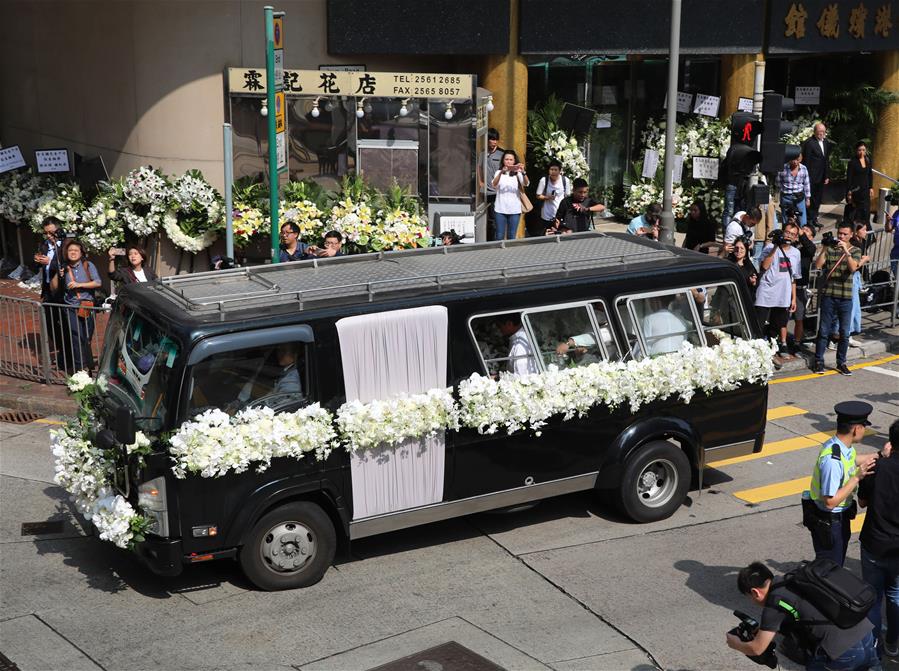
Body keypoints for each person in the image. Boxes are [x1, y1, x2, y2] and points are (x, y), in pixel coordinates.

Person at [726, 561, 880, 670]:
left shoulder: (774, 601)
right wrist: (764, 629)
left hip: (843, 652)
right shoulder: (793, 580)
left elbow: (757, 649)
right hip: (866, 635)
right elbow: (805, 612)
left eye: (749, 597)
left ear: (754, 592)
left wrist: (735, 643)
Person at [801, 401, 878, 567]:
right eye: (864, 426)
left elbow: (853, 460)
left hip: (838, 519)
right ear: (857, 428)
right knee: (830, 571)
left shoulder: (840, 446)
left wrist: (879, 454)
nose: (865, 430)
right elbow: (830, 501)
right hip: (830, 523)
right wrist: (857, 478)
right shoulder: (832, 460)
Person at [858, 419, 899, 659]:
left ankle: (874, 649)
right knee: (895, 595)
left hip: (874, 543)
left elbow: (862, 502)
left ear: (891, 442)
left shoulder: (877, 467)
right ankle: (893, 643)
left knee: (872, 597)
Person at [813, 223, 863, 376]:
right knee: (824, 330)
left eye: (845, 234)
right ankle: (819, 361)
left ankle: (841, 362)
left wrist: (846, 251)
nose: (841, 236)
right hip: (829, 295)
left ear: (851, 235)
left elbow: (853, 267)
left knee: (844, 332)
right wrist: (824, 248)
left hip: (846, 297)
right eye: (840, 233)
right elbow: (818, 264)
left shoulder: (855, 250)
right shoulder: (830, 249)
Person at [49, 239, 101, 373]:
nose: (73, 253)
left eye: (76, 250)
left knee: (86, 336)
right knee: (76, 336)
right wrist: (56, 273)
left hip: (87, 306)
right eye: (70, 250)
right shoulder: (64, 267)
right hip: (71, 307)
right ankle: (80, 368)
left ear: (81, 252)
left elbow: (97, 282)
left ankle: (88, 365)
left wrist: (79, 285)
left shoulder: (88, 265)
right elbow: (54, 289)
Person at [755, 228, 801, 363]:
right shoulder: (769, 247)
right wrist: (775, 246)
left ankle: (770, 345)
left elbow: (794, 277)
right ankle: (757, 349)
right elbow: (764, 266)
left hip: (783, 294)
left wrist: (793, 298)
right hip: (766, 292)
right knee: (759, 323)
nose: (789, 236)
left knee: (778, 324)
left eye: (793, 234)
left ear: (796, 237)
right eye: (787, 232)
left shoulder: (796, 253)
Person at [491, 149, 529, 240]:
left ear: (514, 161)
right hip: (500, 209)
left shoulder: (518, 173)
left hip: (514, 210)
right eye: (506, 159)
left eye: (511, 160)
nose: (508, 161)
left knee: (512, 235)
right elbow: (494, 184)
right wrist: (501, 172)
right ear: (503, 161)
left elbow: (526, 183)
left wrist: (523, 172)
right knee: (499, 235)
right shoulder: (498, 172)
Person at [802, 122, 831, 229]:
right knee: (811, 198)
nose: (822, 134)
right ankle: (809, 220)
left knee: (818, 199)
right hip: (811, 176)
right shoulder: (809, 143)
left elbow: (826, 160)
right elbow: (807, 161)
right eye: (819, 131)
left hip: (821, 176)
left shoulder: (825, 142)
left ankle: (814, 218)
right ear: (815, 132)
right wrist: (806, 177)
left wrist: (827, 175)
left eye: (823, 131)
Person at [776, 152, 811, 228]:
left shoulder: (804, 168)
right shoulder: (782, 168)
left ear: (800, 159)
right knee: (786, 219)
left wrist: (808, 199)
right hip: (786, 197)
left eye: (797, 160)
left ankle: (802, 236)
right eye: (793, 160)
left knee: (802, 220)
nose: (795, 162)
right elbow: (778, 183)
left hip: (799, 197)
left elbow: (806, 184)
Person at [536, 159, 571, 234]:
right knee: (546, 236)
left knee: (559, 236)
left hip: (560, 214)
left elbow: (567, 197)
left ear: (560, 171)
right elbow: (538, 195)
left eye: (556, 170)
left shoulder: (565, 181)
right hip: (546, 214)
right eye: (551, 169)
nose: (553, 172)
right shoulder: (544, 180)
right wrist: (547, 197)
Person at [481, 128, 504, 240]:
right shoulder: (482, 153)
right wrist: (480, 183)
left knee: (495, 220)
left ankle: (495, 241)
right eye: (491, 139)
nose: (494, 142)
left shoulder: (502, 155)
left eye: (496, 139)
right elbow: (479, 169)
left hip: (497, 193)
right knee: (486, 220)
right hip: (485, 192)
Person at [845, 141, 874, 228]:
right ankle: (856, 232)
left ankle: (867, 235)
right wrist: (849, 192)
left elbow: (870, 175)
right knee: (858, 213)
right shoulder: (852, 162)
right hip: (856, 191)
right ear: (856, 151)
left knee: (866, 212)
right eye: (859, 150)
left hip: (865, 190)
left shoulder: (868, 160)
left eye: (863, 150)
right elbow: (849, 178)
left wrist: (871, 187)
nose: (861, 152)